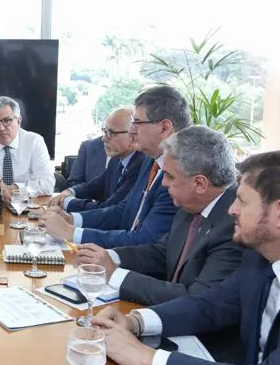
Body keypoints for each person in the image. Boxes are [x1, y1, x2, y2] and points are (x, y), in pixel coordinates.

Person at [92, 150, 280, 365]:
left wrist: (143, 357)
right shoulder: (259, 259)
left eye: (242, 201)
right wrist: (135, 322)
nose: (231, 209)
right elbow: (211, 305)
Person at [76, 126, 244, 361]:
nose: (163, 183)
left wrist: (115, 275)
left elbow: (196, 299)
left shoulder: (234, 225)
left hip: (206, 351)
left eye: (169, 176)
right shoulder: (190, 204)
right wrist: (109, 257)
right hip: (166, 326)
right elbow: (163, 251)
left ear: (200, 183)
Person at [40, 85, 188, 248]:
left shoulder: (180, 175)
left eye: (137, 122)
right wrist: (72, 220)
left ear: (164, 128)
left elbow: (146, 240)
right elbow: (122, 211)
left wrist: (71, 232)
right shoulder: (151, 161)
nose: (131, 131)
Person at [49, 108, 144, 212]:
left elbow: (110, 208)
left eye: (111, 133)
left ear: (132, 135)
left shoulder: (140, 165)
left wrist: (67, 202)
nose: (104, 138)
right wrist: (70, 192)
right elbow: (94, 186)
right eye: (105, 131)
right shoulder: (116, 160)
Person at [0, 96, 54, 203]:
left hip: (28, 204)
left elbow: (48, 184)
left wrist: (16, 188)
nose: (1, 128)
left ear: (18, 121)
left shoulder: (34, 141)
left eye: (7, 120)